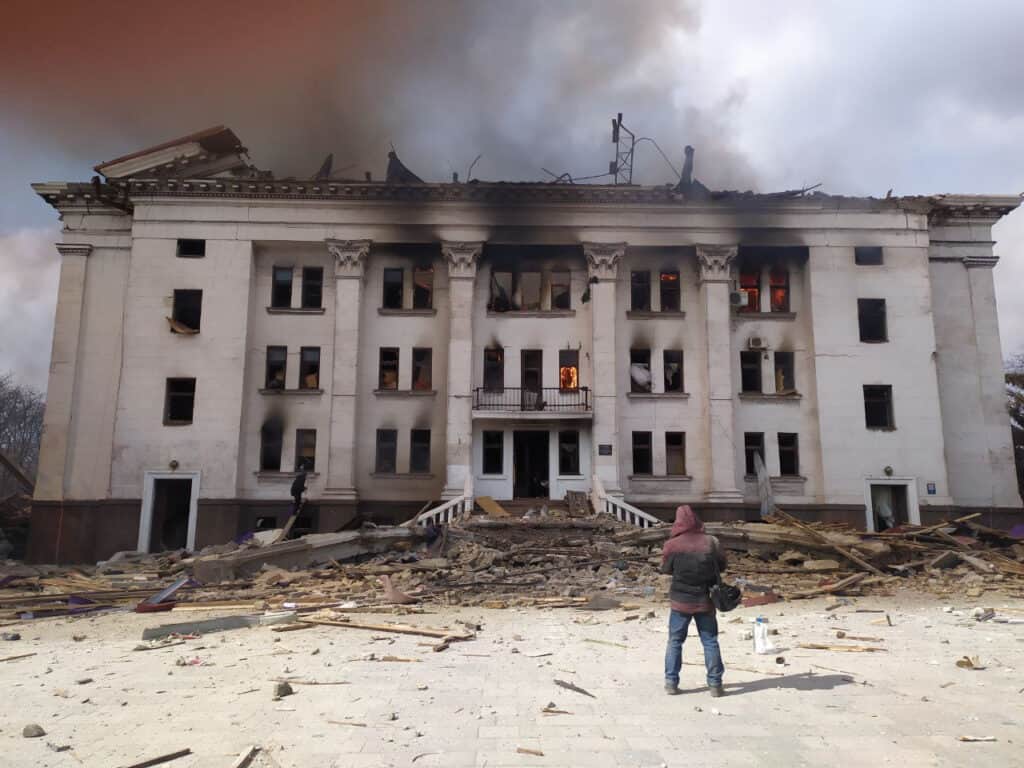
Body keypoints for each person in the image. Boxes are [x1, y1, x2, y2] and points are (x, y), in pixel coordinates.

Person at [661, 505, 726, 697]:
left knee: (674, 641)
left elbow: (665, 569)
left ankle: (671, 683)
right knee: (710, 641)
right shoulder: (711, 542)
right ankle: (715, 684)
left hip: (680, 601)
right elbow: (722, 566)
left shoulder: (672, 545)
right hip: (705, 600)